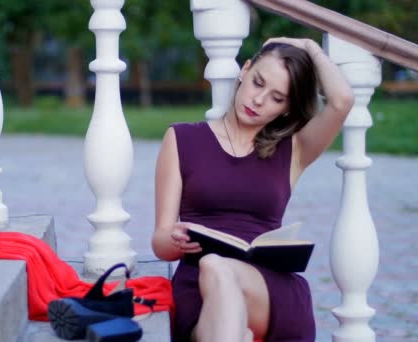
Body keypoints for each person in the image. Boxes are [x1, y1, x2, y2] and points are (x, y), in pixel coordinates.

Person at [151, 37, 354, 342]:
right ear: (245, 70)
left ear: (287, 109)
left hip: (268, 288)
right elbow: (160, 242)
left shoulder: (294, 150)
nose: (258, 100)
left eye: (277, 98)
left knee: (217, 266)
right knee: (226, 307)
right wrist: (175, 239)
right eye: (258, 82)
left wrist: (311, 47)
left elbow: (342, 101)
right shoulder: (181, 139)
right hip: (199, 287)